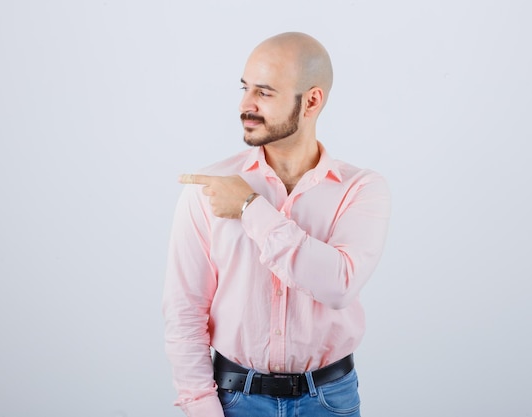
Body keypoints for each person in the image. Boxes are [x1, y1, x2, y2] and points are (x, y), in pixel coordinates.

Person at [162, 31, 391, 417]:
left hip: (330, 401)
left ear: (312, 101)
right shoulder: (207, 189)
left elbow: (338, 285)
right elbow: (184, 312)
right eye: (244, 88)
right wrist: (201, 408)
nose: (245, 105)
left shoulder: (362, 189)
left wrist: (251, 208)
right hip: (233, 400)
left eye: (264, 93)